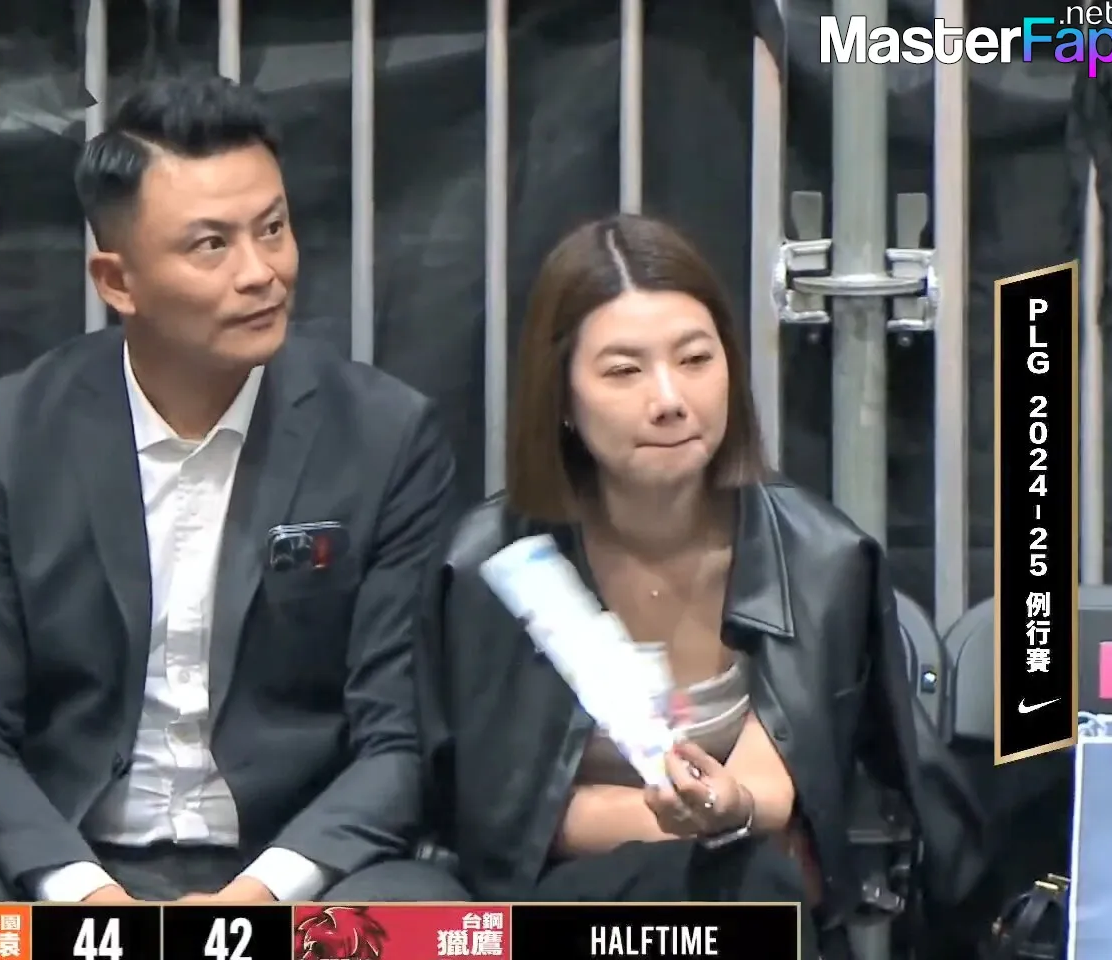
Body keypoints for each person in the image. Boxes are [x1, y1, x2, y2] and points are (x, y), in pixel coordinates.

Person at [0, 73, 465, 904]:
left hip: (289, 870)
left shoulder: (384, 436)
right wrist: (88, 899)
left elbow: (398, 743)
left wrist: (255, 901)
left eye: (273, 229)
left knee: (421, 921)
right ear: (117, 281)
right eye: (211, 246)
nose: (261, 273)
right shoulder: (8, 436)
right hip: (63, 862)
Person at [421, 215, 983, 956]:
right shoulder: (489, 565)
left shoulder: (821, 559)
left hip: (743, 895)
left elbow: (777, 783)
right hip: (549, 906)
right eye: (623, 371)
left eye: (695, 359)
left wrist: (729, 806)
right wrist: (694, 822)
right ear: (560, 397)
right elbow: (500, 817)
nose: (670, 399)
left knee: (753, 887)